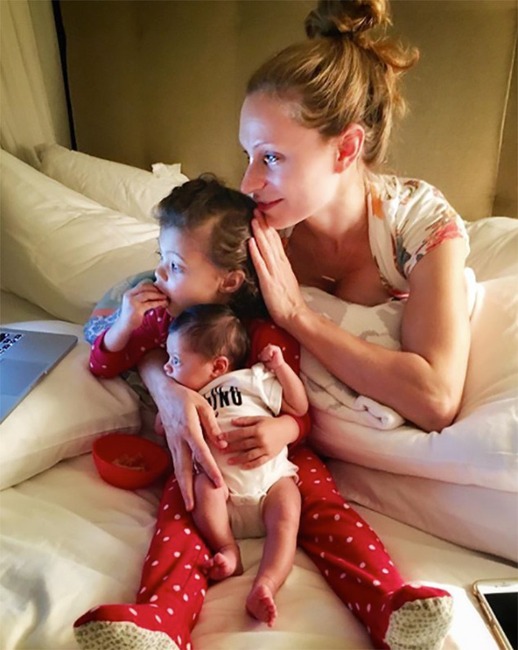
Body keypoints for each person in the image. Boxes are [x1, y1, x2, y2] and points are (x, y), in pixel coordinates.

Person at [74, 0, 458, 646]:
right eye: (248, 155)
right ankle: (162, 621)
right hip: (226, 441)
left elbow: (436, 398)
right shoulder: (251, 229)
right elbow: (143, 307)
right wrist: (170, 391)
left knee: (324, 513)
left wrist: (296, 317)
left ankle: (392, 608)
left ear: (347, 149)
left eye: (272, 158)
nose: (249, 181)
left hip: (291, 448)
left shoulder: (415, 226)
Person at [163, 303, 307, 626]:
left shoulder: (253, 379)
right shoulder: (188, 398)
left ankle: (267, 583)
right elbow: (164, 425)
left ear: (218, 366)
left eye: (175, 360)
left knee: (288, 510)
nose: (166, 368)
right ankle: (228, 549)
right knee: (204, 487)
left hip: (270, 485)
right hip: (222, 492)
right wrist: (170, 399)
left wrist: (281, 368)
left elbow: (298, 406)